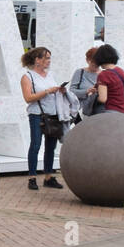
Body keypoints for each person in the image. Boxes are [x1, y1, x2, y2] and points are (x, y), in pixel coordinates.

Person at [19, 46, 65, 191]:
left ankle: (48, 176)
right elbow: (28, 98)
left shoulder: (50, 75)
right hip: (37, 114)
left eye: (49, 58)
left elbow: (52, 92)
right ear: (37, 60)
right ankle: (32, 178)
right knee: (36, 145)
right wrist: (47, 91)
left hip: (52, 114)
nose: (49, 61)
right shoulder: (28, 77)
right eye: (46, 58)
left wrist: (59, 91)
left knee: (51, 147)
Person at [93, 43, 124, 114]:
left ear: (99, 58)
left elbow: (103, 99)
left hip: (109, 113)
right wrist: (122, 104)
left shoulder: (103, 75)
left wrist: (92, 97)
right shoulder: (121, 71)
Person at [69, 47, 101, 119]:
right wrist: (86, 91)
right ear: (87, 60)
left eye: (98, 63)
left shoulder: (104, 75)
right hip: (81, 112)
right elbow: (71, 91)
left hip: (98, 111)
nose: (95, 65)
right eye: (93, 63)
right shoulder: (80, 72)